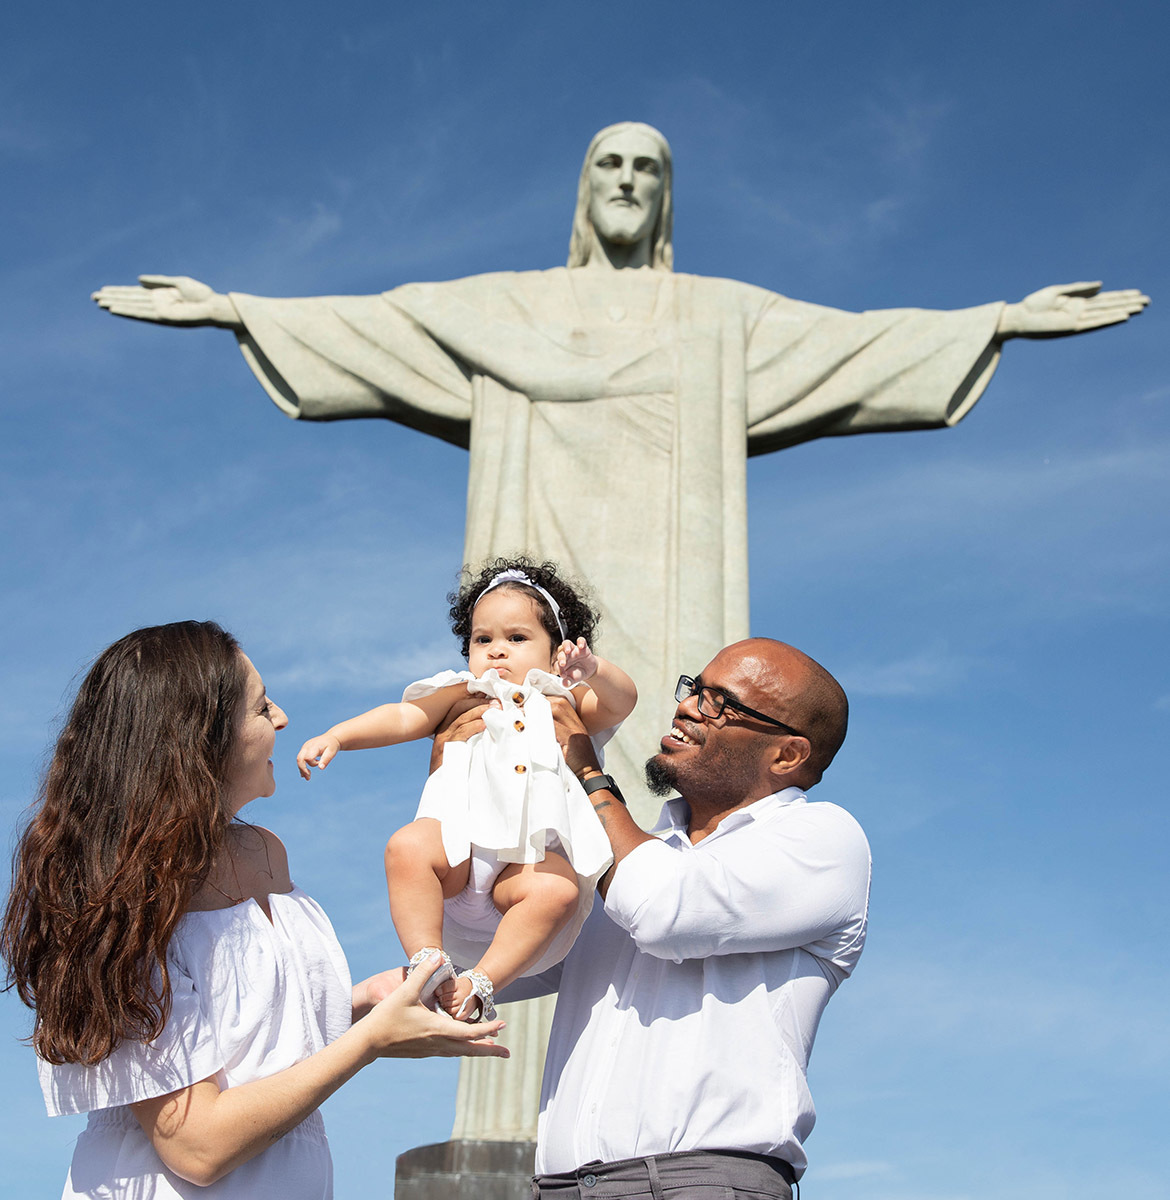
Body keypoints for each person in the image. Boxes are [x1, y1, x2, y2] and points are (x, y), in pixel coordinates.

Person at [90, 122, 1149, 831]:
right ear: (584, 190)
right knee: (515, 777)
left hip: (675, 577)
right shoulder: (509, 308)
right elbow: (384, 324)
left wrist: (997, 321)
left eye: (648, 170)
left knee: (659, 741)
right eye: (610, 167)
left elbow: (854, 346)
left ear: (668, 194)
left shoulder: (718, 319)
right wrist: (239, 310)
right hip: (534, 559)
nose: (629, 185)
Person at [1, 621, 507, 1200]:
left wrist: (372, 1002)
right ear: (200, 740)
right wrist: (370, 1043)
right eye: (262, 707)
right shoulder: (118, 901)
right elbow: (198, 1145)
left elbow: (247, 1040)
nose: (284, 717)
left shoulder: (265, 854)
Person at [436, 636, 870, 1197]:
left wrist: (585, 769)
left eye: (721, 702)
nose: (688, 706)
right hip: (561, 1188)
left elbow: (662, 911)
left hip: (700, 1183)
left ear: (787, 755)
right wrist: (458, 789)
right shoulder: (634, 861)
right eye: (695, 688)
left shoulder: (824, 840)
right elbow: (483, 951)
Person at [295, 559, 637, 1024]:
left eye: (517, 638)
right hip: (456, 853)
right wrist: (339, 735)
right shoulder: (460, 692)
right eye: (483, 639)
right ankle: (428, 961)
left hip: (524, 867)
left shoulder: (561, 699)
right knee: (406, 847)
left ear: (556, 649)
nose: (497, 651)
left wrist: (593, 669)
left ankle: (479, 982)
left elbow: (622, 700)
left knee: (557, 890)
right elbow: (402, 717)